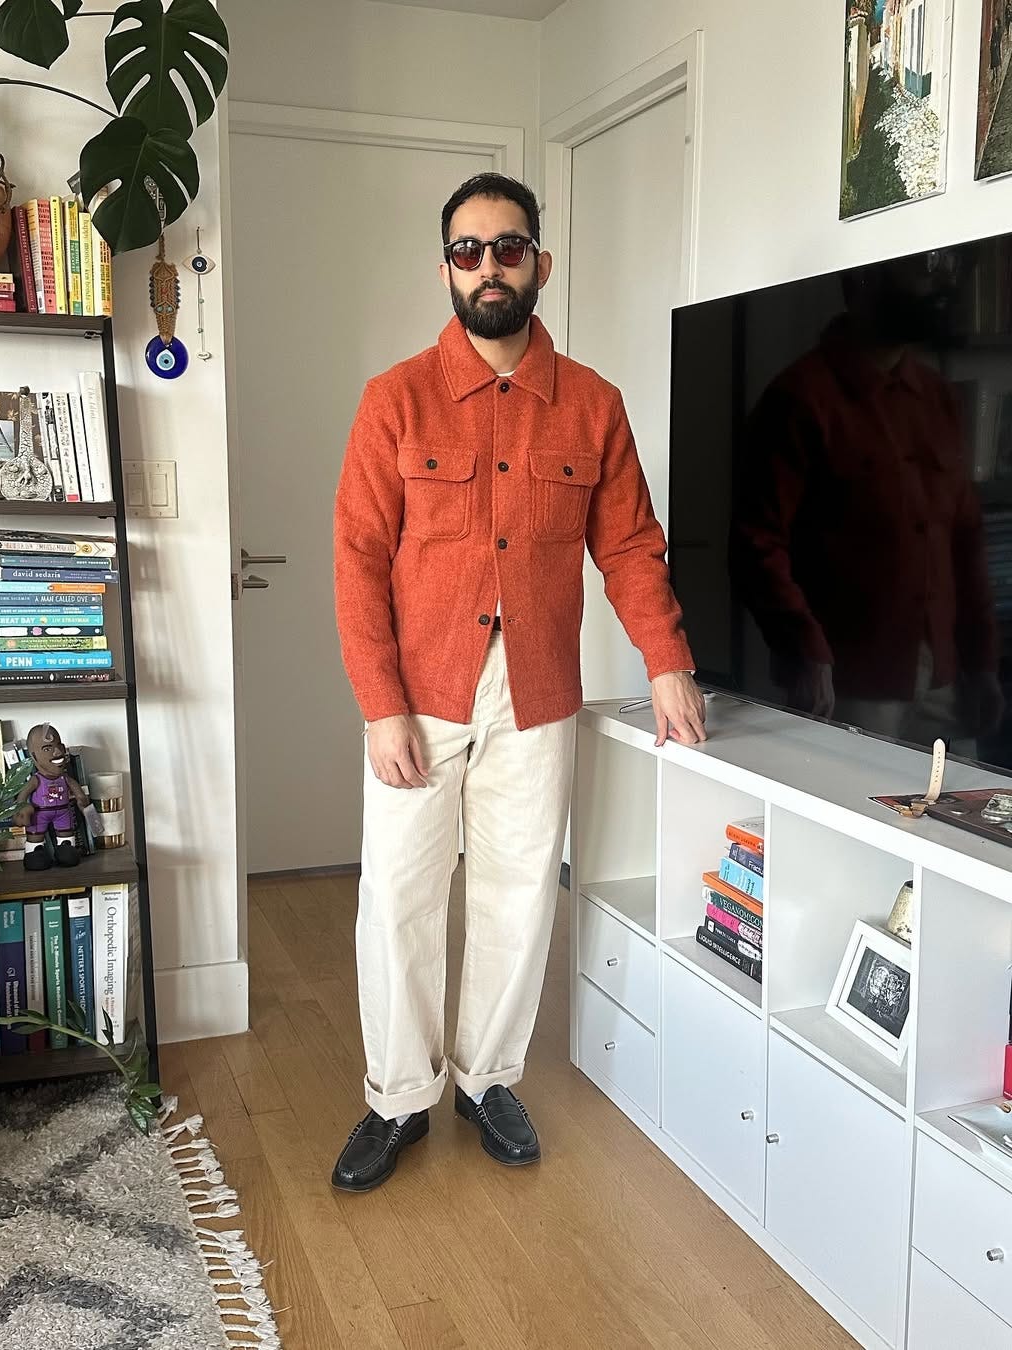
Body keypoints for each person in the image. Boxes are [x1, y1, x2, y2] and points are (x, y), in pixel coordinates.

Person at [330, 173, 705, 1193]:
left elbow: (628, 544)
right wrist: (379, 706)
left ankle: (486, 1079)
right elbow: (358, 559)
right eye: (467, 250)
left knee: (517, 897)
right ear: (445, 267)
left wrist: (665, 658)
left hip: (540, 690)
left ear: (540, 261)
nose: (488, 267)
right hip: (420, 696)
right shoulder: (394, 401)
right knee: (401, 899)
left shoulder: (592, 405)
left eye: (508, 247)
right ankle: (397, 1095)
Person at [730, 250, 1003, 755]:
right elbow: (756, 544)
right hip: (850, 682)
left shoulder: (938, 397)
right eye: (920, 267)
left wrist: (983, 663)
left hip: (945, 676)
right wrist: (806, 651)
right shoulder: (800, 398)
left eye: (943, 265)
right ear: (863, 279)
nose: (939, 281)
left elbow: (966, 538)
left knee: (951, 827)